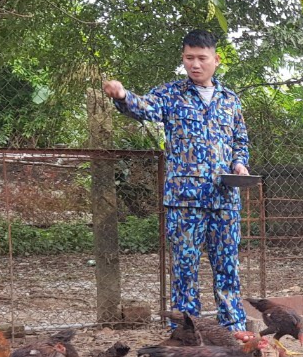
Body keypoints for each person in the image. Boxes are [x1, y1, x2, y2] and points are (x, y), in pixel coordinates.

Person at [103, 29, 250, 331]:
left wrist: (239, 164)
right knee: (185, 269)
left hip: (224, 200)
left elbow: (240, 141)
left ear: (216, 60)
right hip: (185, 201)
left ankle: (233, 329)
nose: (195, 64)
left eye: (202, 58)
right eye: (188, 58)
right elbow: (144, 107)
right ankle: (185, 332)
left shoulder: (230, 100)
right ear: (183, 58)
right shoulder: (171, 94)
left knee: (227, 267)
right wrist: (123, 96)